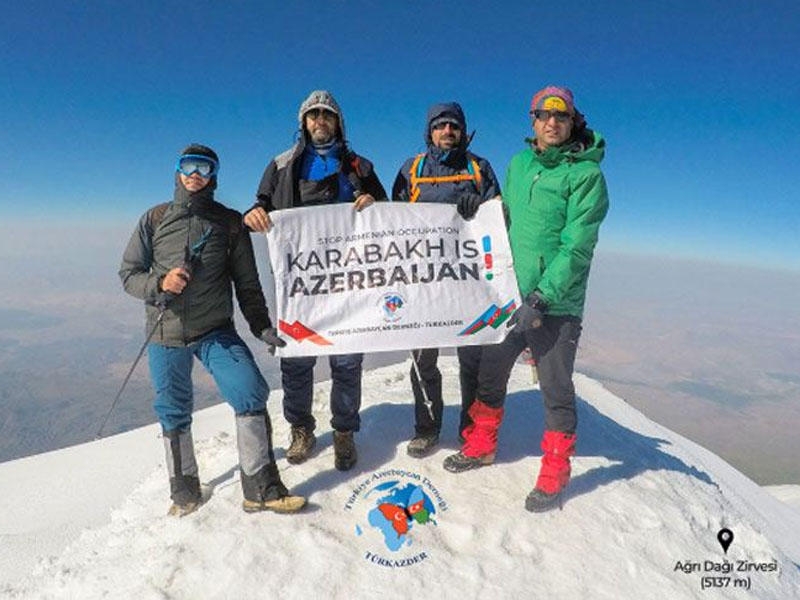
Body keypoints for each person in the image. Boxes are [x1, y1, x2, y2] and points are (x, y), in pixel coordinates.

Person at [442, 86, 610, 513]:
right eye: (543, 115)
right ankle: (481, 444)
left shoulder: (587, 177)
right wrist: (477, 207)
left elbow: (578, 246)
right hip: (511, 295)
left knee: (555, 388)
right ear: (532, 121)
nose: (552, 123)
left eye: (562, 116)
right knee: (490, 373)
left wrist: (542, 295)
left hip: (557, 305)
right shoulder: (519, 165)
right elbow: (506, 216)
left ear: (574, 122)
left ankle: (556, 469)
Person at [119, 144, 306, 516]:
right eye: (187, 166)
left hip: (214, 330)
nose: (194, 174)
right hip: (165, 333)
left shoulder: (230, 223)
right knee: (172, 411)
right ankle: (184, 490)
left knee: (249, 389)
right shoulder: (154, 219)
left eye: (203, 168)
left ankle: (260, 487)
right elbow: (128, 275)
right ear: (177, 172)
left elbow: (247, 285)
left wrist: (262, 327)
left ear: (213, 176)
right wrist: (160, 283)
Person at [244, 90, 387, 471]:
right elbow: (261, 204)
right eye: (313, 115)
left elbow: (389, 216)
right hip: (301, 286)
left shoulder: (361, 167)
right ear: (303, 123)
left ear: (338, 122)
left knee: (346, 359)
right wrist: (255, 214)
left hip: (349, 283)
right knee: (297, 361)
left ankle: (344, 431)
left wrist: (373, 205)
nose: (320, 120)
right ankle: (301, 428)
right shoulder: (281, 165)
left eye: (327, 115)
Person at [391, 102, 501, 458]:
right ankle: (427, 428)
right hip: (423, 282)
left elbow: (498, 218)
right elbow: (391, 220)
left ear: (463, 131)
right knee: (423, 359)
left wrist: (479, 207)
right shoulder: (412, 169)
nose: (448, 131)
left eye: (454, 126)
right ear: (430, 132)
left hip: (468, 284)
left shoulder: (479, 168)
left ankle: (470, 432)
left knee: (472, 362)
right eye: (440, 126)